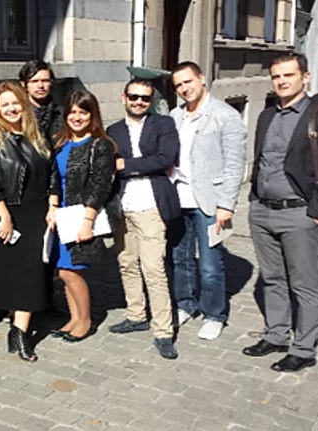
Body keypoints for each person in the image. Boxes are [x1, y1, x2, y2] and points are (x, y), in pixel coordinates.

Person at [242, 53, 318, 372]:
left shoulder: (315, 114)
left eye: (289, 75)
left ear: (305, 77)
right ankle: (276, 335)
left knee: (304, 283)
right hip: (262, 210)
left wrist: (315, 211)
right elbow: (262, 159)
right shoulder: (266, 115)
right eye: (276, 76)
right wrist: (254, 200)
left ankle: (304, 348)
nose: (282, 81)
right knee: (272, 278)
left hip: (298, 213)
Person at [169, 61, 246, 340]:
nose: (184, 88)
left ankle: (214, 314)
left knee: (210, 264)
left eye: (188, 81)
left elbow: (235, 164)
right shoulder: (175, 115)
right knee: (180, 259)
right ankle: (186, 304)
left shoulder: (225, 115)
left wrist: (226, 204)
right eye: (178, 85)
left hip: (210, 202)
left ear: (201, 79)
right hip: (178, 199)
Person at [106, 78, 180, 359]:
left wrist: (126, 165)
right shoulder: (113, 130)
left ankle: (163, 331)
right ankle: (136, 315)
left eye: (145, 98)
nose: (139, 102)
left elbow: (165, 158)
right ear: (124, 97)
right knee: (127, 263)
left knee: (153, 269)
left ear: (151, 101)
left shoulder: (164, 124)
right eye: (134, 97)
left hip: (151, 206)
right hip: (122, 206)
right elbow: (108, 165)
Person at [0, 81, 52, 362]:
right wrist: (5, 216)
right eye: (4, 104)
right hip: (6, 212)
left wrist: (53, 205)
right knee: (10, 275)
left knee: (30, 275)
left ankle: (20, 333)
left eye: (15, 102)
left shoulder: (37, 135)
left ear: (24, 104)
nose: (11, 108)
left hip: (36, 213)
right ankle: (16, 327)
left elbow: (52, 173)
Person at [47, 90, 116, 343]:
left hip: (81, 216)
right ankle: (74, 318)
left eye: (83, 112)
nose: (77, 117)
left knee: (71, 271)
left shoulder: (100, 145)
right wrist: (52, 206)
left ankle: (85, 321)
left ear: (92, 115)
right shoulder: (60, 143)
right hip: (61, 215)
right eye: (73, 112)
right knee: (63, 270)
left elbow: (100, 186)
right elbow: (53, 178)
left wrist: (88, 221)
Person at [19, 60, 64, 144]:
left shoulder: (62, 114)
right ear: (24, 84)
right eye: (34, 81)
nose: (40, 86)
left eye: (45, 81)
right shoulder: (18, 114)